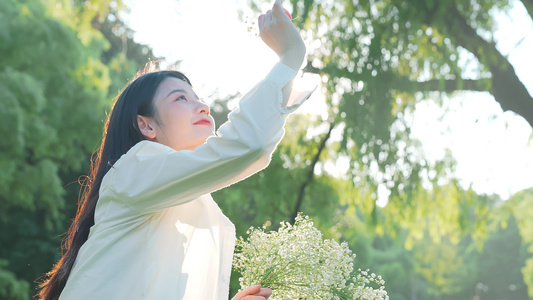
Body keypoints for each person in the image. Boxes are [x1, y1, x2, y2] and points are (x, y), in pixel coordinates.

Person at [37, 0, 312, 299]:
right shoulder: (135, 167)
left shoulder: (186, 199)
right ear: (146, 126)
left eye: (198, 97)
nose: (202, 105)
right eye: (181, 98)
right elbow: (247, 145)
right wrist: (291, 57)